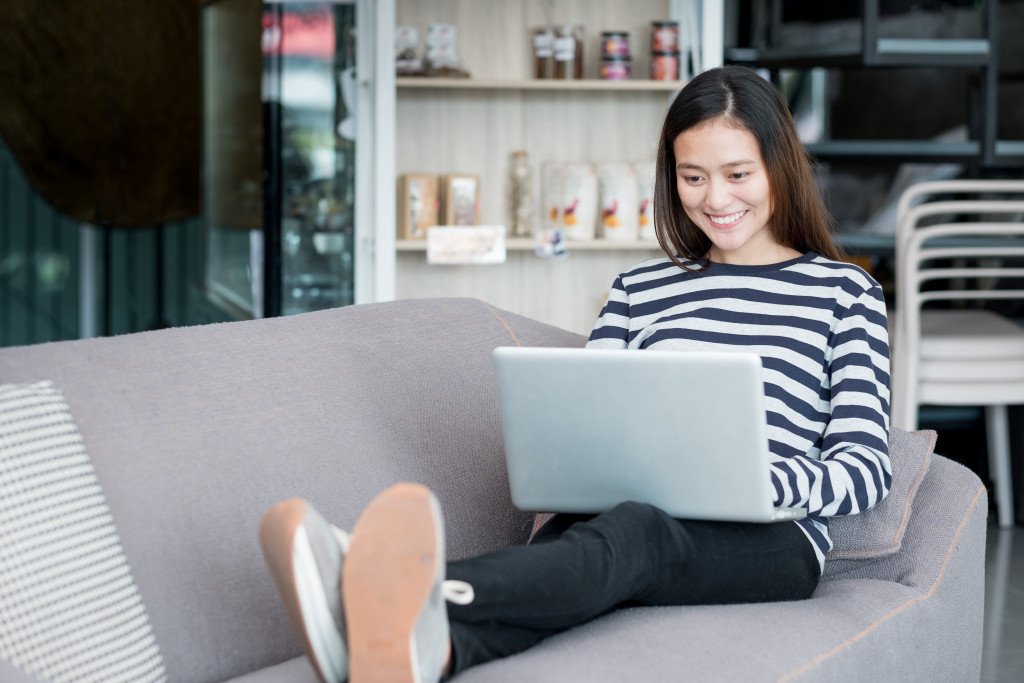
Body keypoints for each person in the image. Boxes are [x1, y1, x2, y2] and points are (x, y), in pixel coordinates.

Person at [258, 64, 892, 683]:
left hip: (773, 540)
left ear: (779, 166)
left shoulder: (844, 293)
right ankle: (419, 653)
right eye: (693, 177)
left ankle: (381, 590)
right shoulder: (639, 289)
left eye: (737, 174)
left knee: (635, 533)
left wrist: (756, 482)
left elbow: (866, 466)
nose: (715, 199)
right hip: (629, 514)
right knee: (578, 541)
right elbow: (587, 428)